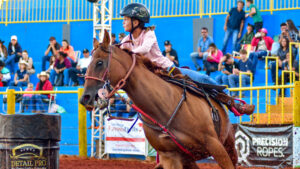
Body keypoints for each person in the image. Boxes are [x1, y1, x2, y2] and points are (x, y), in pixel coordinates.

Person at [119, 3, 254, 115]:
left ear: (135, 21)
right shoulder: (127, 40)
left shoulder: (149, 34)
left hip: (169, 71)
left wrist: (128, 50)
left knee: (204, 79)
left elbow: (144, 49)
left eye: (125, 19)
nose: (123, 22)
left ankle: (234, 101)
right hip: (152, 78)